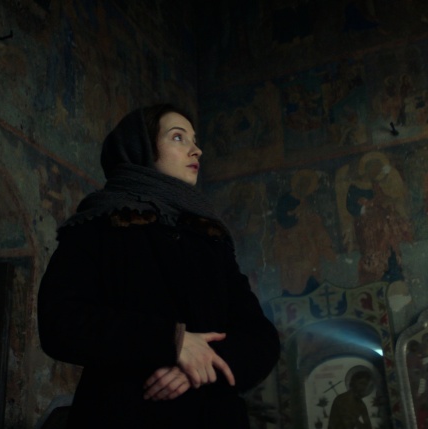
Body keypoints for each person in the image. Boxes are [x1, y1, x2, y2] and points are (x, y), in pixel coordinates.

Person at [37, 104, 281, 428]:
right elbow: (60, 321)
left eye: (194, 140)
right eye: (178, 137)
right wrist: (172, 341)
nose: (196, 150)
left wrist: (202, 365)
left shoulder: (211, 239)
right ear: (141, 147)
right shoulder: (97, 225)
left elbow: (261, 338)